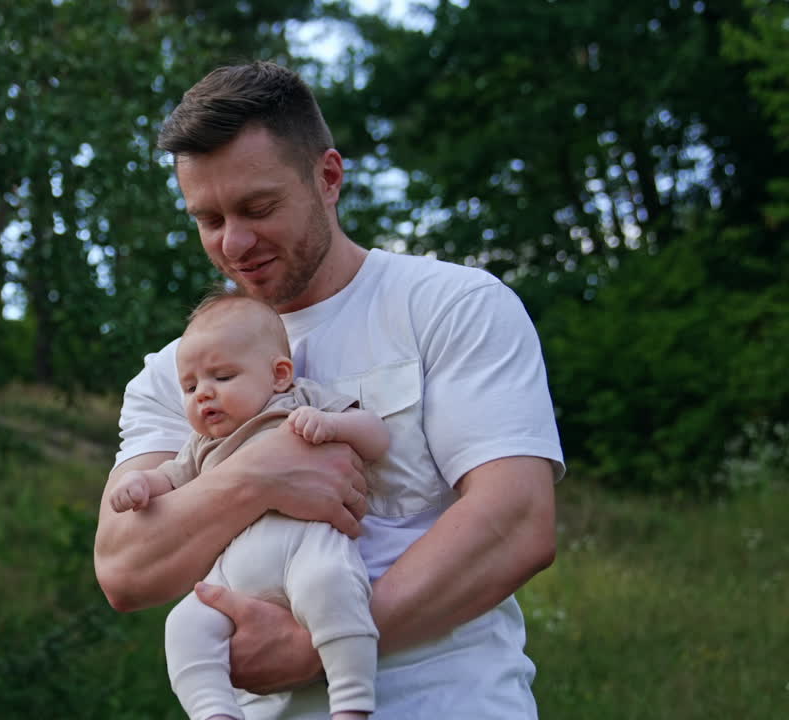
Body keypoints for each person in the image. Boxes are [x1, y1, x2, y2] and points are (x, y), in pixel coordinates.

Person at [93, 60, 565, 720]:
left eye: (258, 208)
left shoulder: (451, 305)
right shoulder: (176, 373)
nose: (235, 242)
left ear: (329, 178)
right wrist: (258, 475)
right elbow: (126, 567)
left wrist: (320, 648)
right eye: (208, 219)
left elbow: (515, 523)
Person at [108, 291, 390, 720]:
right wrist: (140, 483)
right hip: (234, 570)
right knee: (184, 625)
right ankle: (214, 711)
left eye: (221, 377)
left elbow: (376, 435)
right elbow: (170, 478)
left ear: (279, 375)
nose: (203, 394)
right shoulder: (202, 445)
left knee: (332, 587)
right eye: (190, 386)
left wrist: (333, 423)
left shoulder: (298, 402)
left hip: (305, 548)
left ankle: (351, 703)